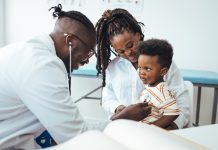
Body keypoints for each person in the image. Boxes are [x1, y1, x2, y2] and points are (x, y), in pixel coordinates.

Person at [0, 4, 151, 149]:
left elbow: (63, 125)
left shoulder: (31, 51)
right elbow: (77, 135)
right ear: (70, 41)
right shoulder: (42, 66)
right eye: (88, 52)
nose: (85, 62)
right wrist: (122, 118)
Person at [95, 8, 190, 129]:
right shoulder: (113, 68)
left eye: (130, 45)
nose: (128, 53)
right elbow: (107, 97)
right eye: (120, 51)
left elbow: (181, 98)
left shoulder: (160, 60)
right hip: (127, 128)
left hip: (161, 128)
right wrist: (120, 109)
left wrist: (175, 126)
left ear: (138, 35)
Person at [136, 39, 180, 129]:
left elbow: (173, 113)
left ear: (163, 71)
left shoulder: (162, 90)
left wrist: (153, 128)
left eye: (147, 69)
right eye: (140, 67)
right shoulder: (150, 86)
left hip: (151, 134)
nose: (141, 72)